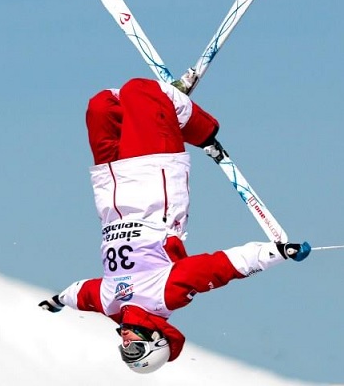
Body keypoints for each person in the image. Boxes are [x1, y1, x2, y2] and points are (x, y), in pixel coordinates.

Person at [38, 76, 310, 374]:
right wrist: (276, 252)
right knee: (139, 91)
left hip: (110, 186)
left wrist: (57, 301)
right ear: (155, 340)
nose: (126, 342)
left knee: (102, 105)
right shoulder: (165, 295)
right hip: (155, 183)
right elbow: (219, 268)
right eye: (135, 348)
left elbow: (80, 293)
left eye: (124, 350)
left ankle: (168, 107)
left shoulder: (109, 304)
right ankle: (200, 127)